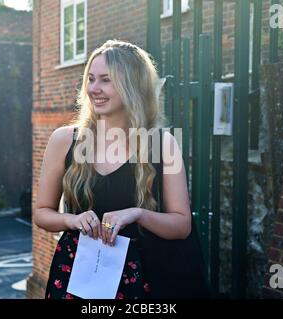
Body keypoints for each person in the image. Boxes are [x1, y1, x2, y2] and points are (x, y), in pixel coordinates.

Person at [34, 40, 206, 299]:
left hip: (141, 278)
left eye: (106, 80)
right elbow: (41, 213)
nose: (94, 89)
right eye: (90, 79)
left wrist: (138, 214)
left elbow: (182, 225)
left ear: (132, 85)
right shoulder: (64, 140)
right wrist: (71, 219)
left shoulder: (163, 144)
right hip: (76, 273)